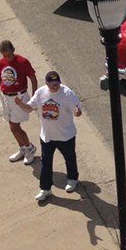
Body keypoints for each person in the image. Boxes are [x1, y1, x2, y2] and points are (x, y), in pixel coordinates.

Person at [15, 70, 82, 204]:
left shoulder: (67, 93)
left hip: (65, 135)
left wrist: (77, 111)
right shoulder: (40, 93)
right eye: (52, 84)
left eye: (57, 84)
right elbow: (29, 108)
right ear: (46, 83)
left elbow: (77, 110)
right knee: (46, 163)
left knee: (70, 158)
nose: (55, 87)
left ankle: (72, 179)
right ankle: (45, 189)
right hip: (47, 136)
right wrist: (19, 103)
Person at [0, 40, 38, 164]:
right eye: (4, 55)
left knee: (15, 126)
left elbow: (33, 78)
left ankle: (30, 148)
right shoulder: (2, 62)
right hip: (5, 97)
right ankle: (23, 148)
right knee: (12, 127)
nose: (7, 57)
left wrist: (34, 96)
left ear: (13, 50)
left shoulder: (23, 62)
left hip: (19, 98)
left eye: (8, 54)